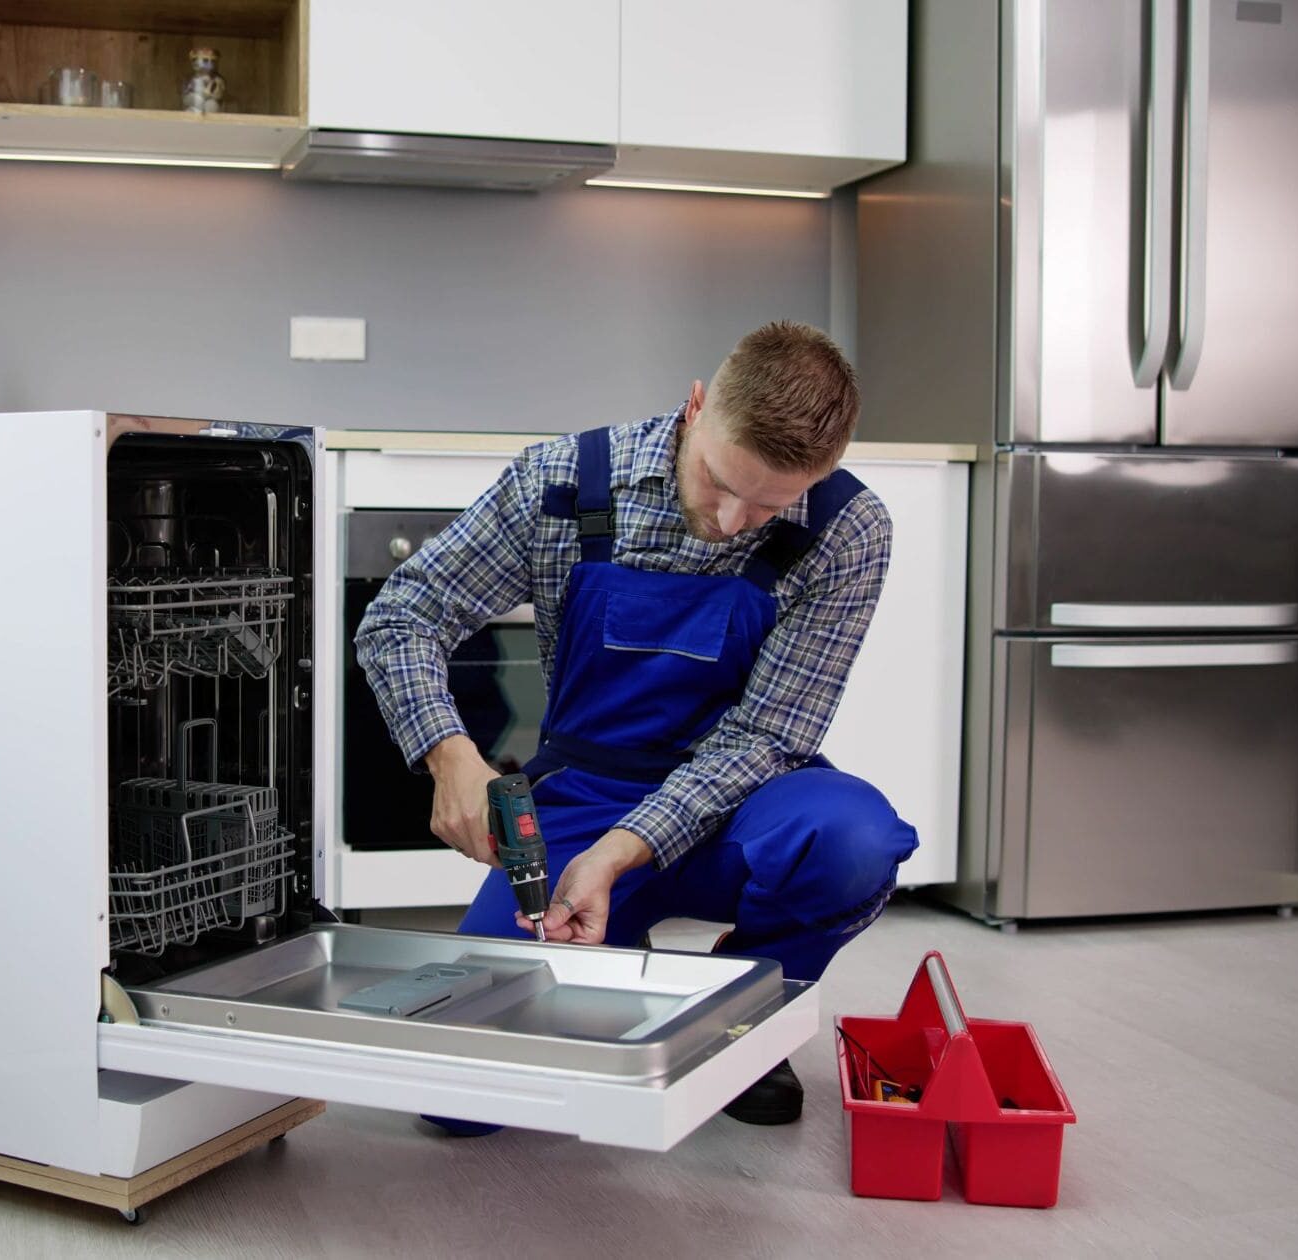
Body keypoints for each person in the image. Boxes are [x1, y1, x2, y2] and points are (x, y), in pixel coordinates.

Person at [354, 321, 920, 1130]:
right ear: (695, 408)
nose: (733, 520)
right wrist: (451, 758)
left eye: (769, 505)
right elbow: (403, 615)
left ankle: (741, 1005)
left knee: (852, 842)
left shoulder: (848, 528)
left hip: (741, 805)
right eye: (720, 481)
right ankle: (616, 963)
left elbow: (766, 738)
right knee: (457, 1105)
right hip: (583, 799)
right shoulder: (561, 481)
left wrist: (623, 852)